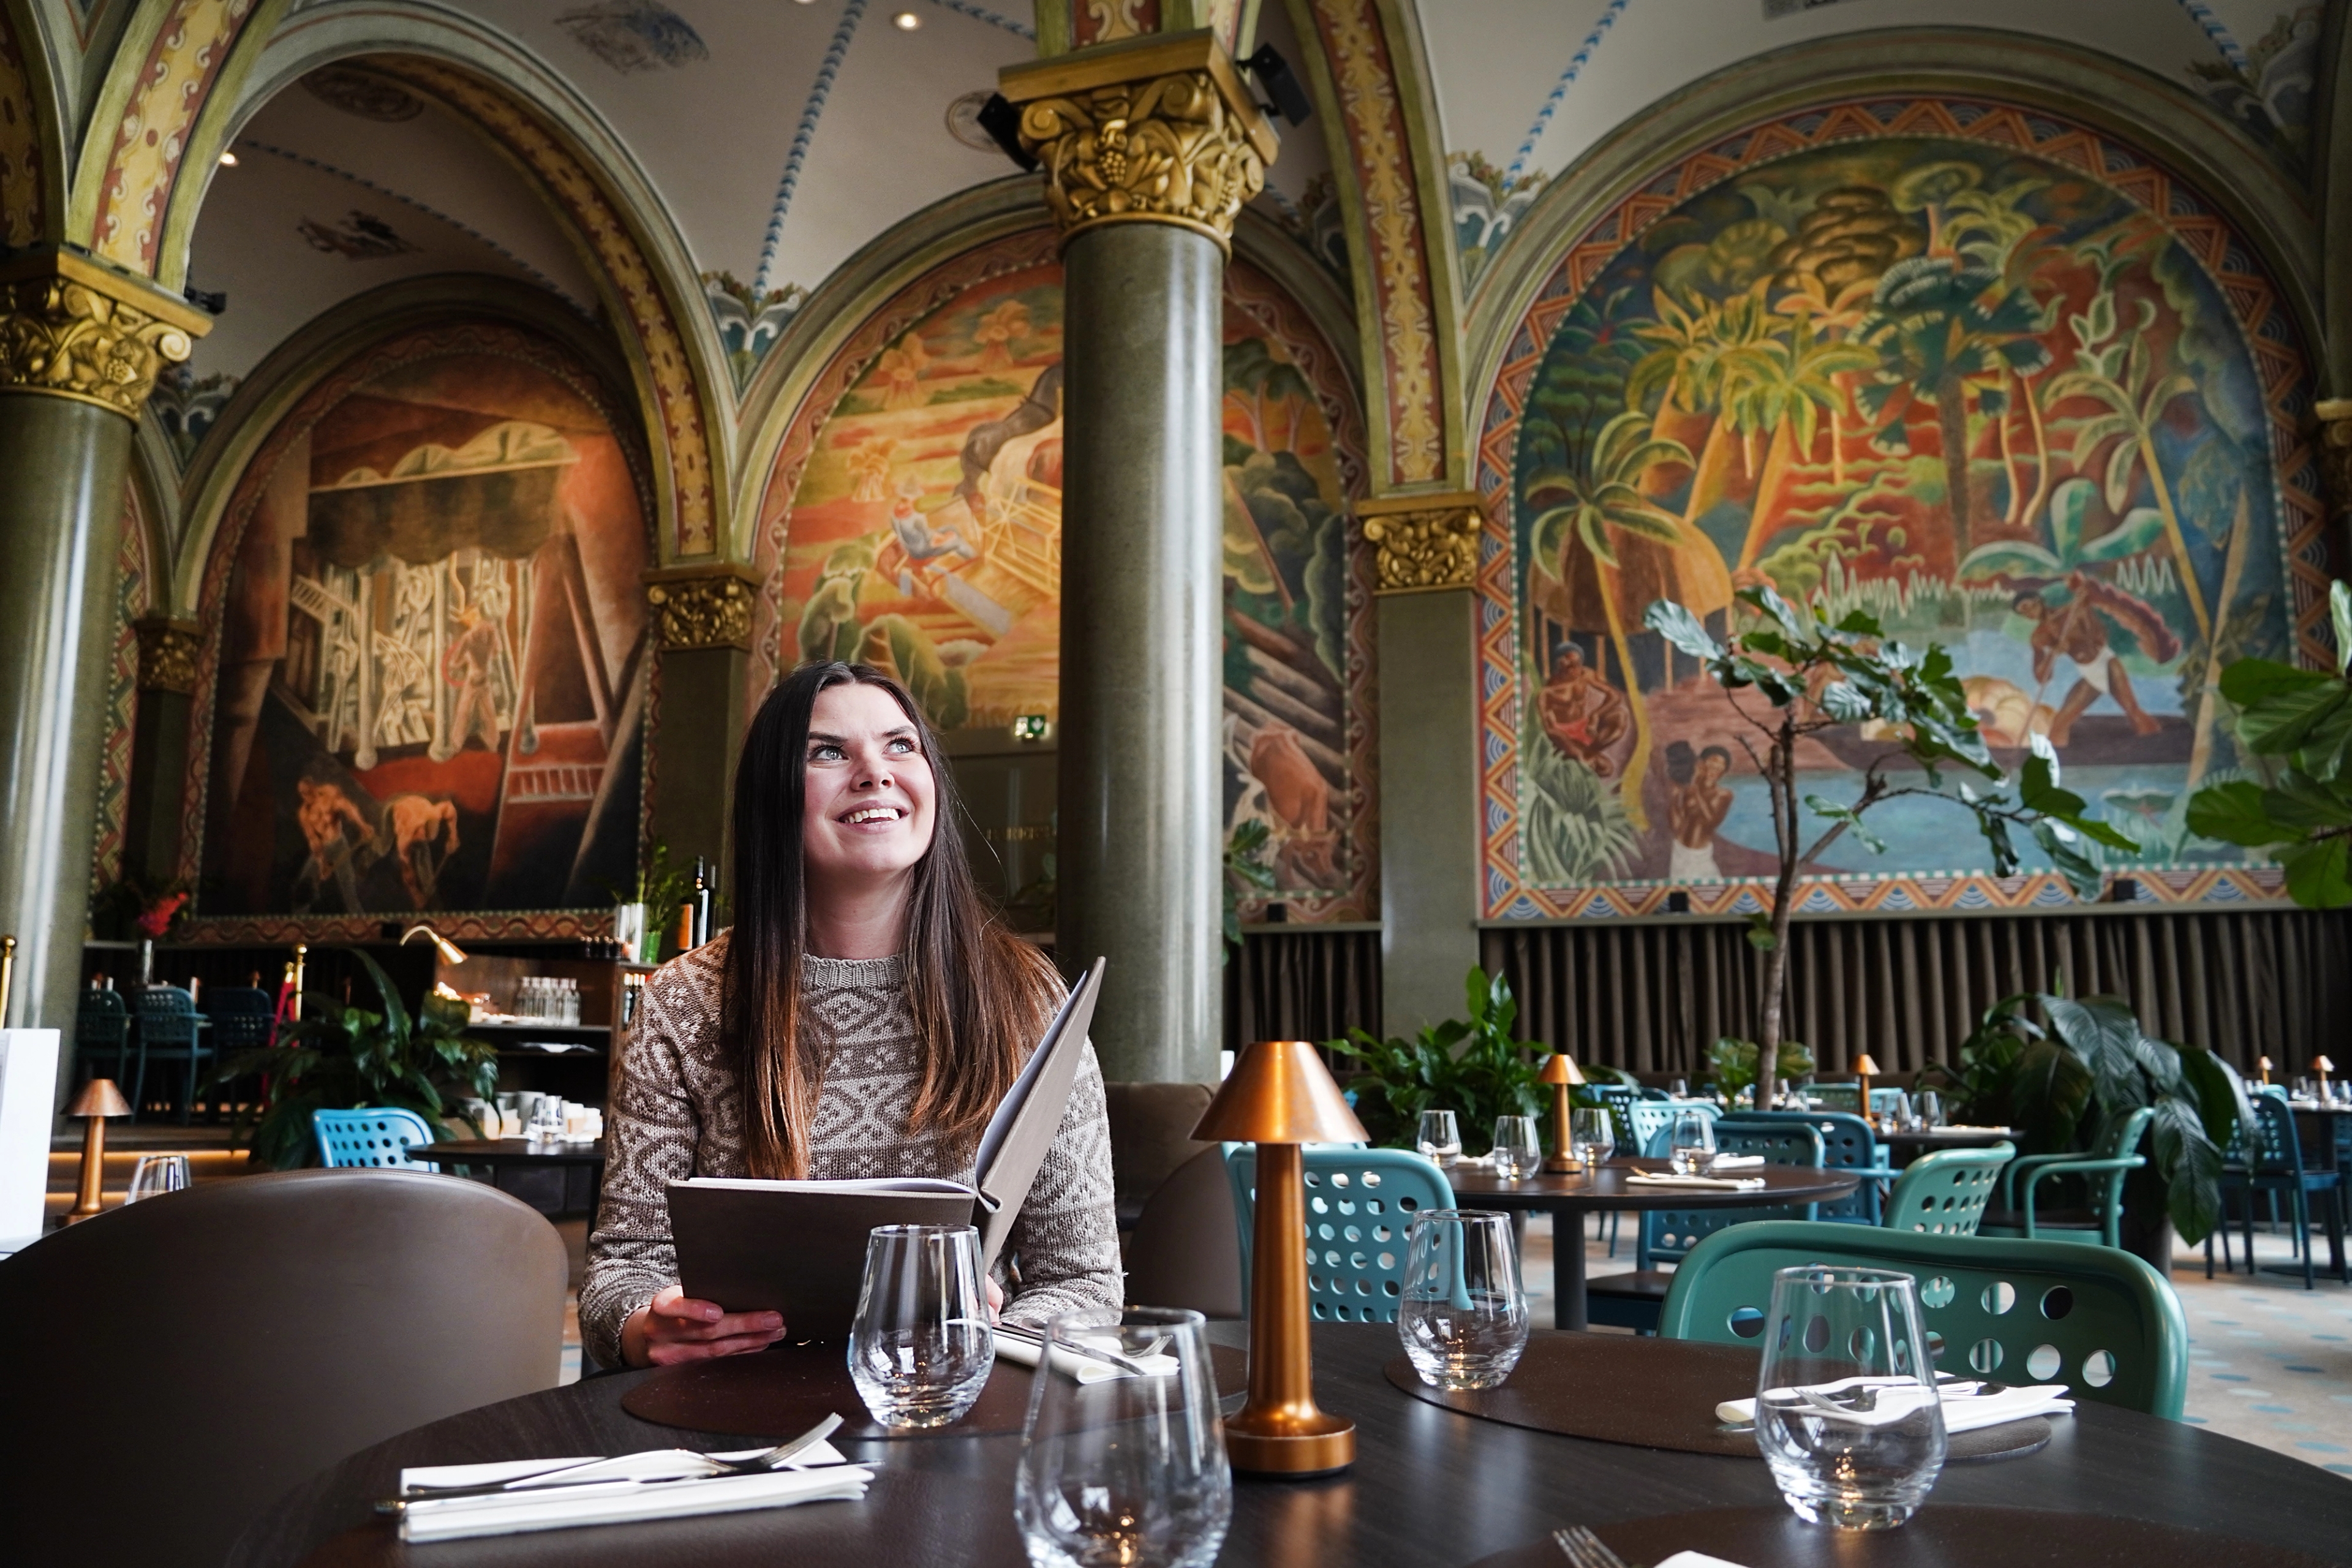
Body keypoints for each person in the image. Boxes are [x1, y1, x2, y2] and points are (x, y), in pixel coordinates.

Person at [581, 661, 1119, 1368]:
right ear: (773, 796)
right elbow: (621, 1272)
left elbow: (1082, 1280)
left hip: (954, 1416)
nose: (875, 772)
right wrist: (649, 1326)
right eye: (828, 752)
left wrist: (999, 1330)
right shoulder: (685, 1003)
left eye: (901, 745)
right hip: (741, 1417)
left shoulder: (1027, 998)